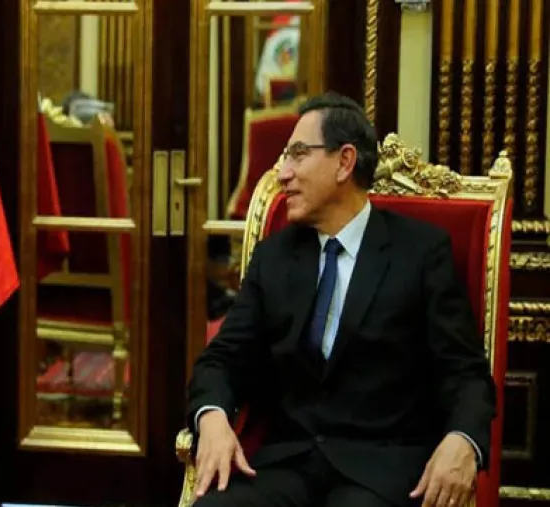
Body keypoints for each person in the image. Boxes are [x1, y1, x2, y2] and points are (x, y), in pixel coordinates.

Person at [187, 93, 495, 507]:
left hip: (380, 474)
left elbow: (466, 373)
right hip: (287, 466)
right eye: (284, 157)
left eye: (297, 155)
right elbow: (222, 358)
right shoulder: (276, 257)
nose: (282, 172)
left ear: (345, 162)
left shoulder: (420, 253)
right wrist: (212, 418)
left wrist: (462, 441)